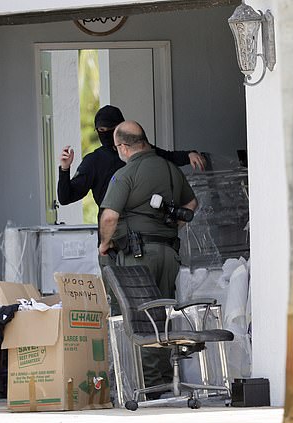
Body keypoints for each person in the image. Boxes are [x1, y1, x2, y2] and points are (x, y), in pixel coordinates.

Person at [98, 120, 198, 396]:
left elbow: (109, 215)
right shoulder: (170, 169)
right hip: (168, 253)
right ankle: (167, 378)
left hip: (138, 257)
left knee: (142, 319)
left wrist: (105, 244)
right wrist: (170, 227)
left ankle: (151, 386)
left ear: (123, 147)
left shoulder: (126, 174)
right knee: (163, 315)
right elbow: (191, 204)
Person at [57, 105, 205, 210]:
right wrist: (65, 168)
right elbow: (66, 197)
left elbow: (166, 156)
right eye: (102, 130)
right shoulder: (94, 161)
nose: (108, 134)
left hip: (143, 224)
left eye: (112, 129)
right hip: (115, 231)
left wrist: (188, 155)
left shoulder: (139, 150)